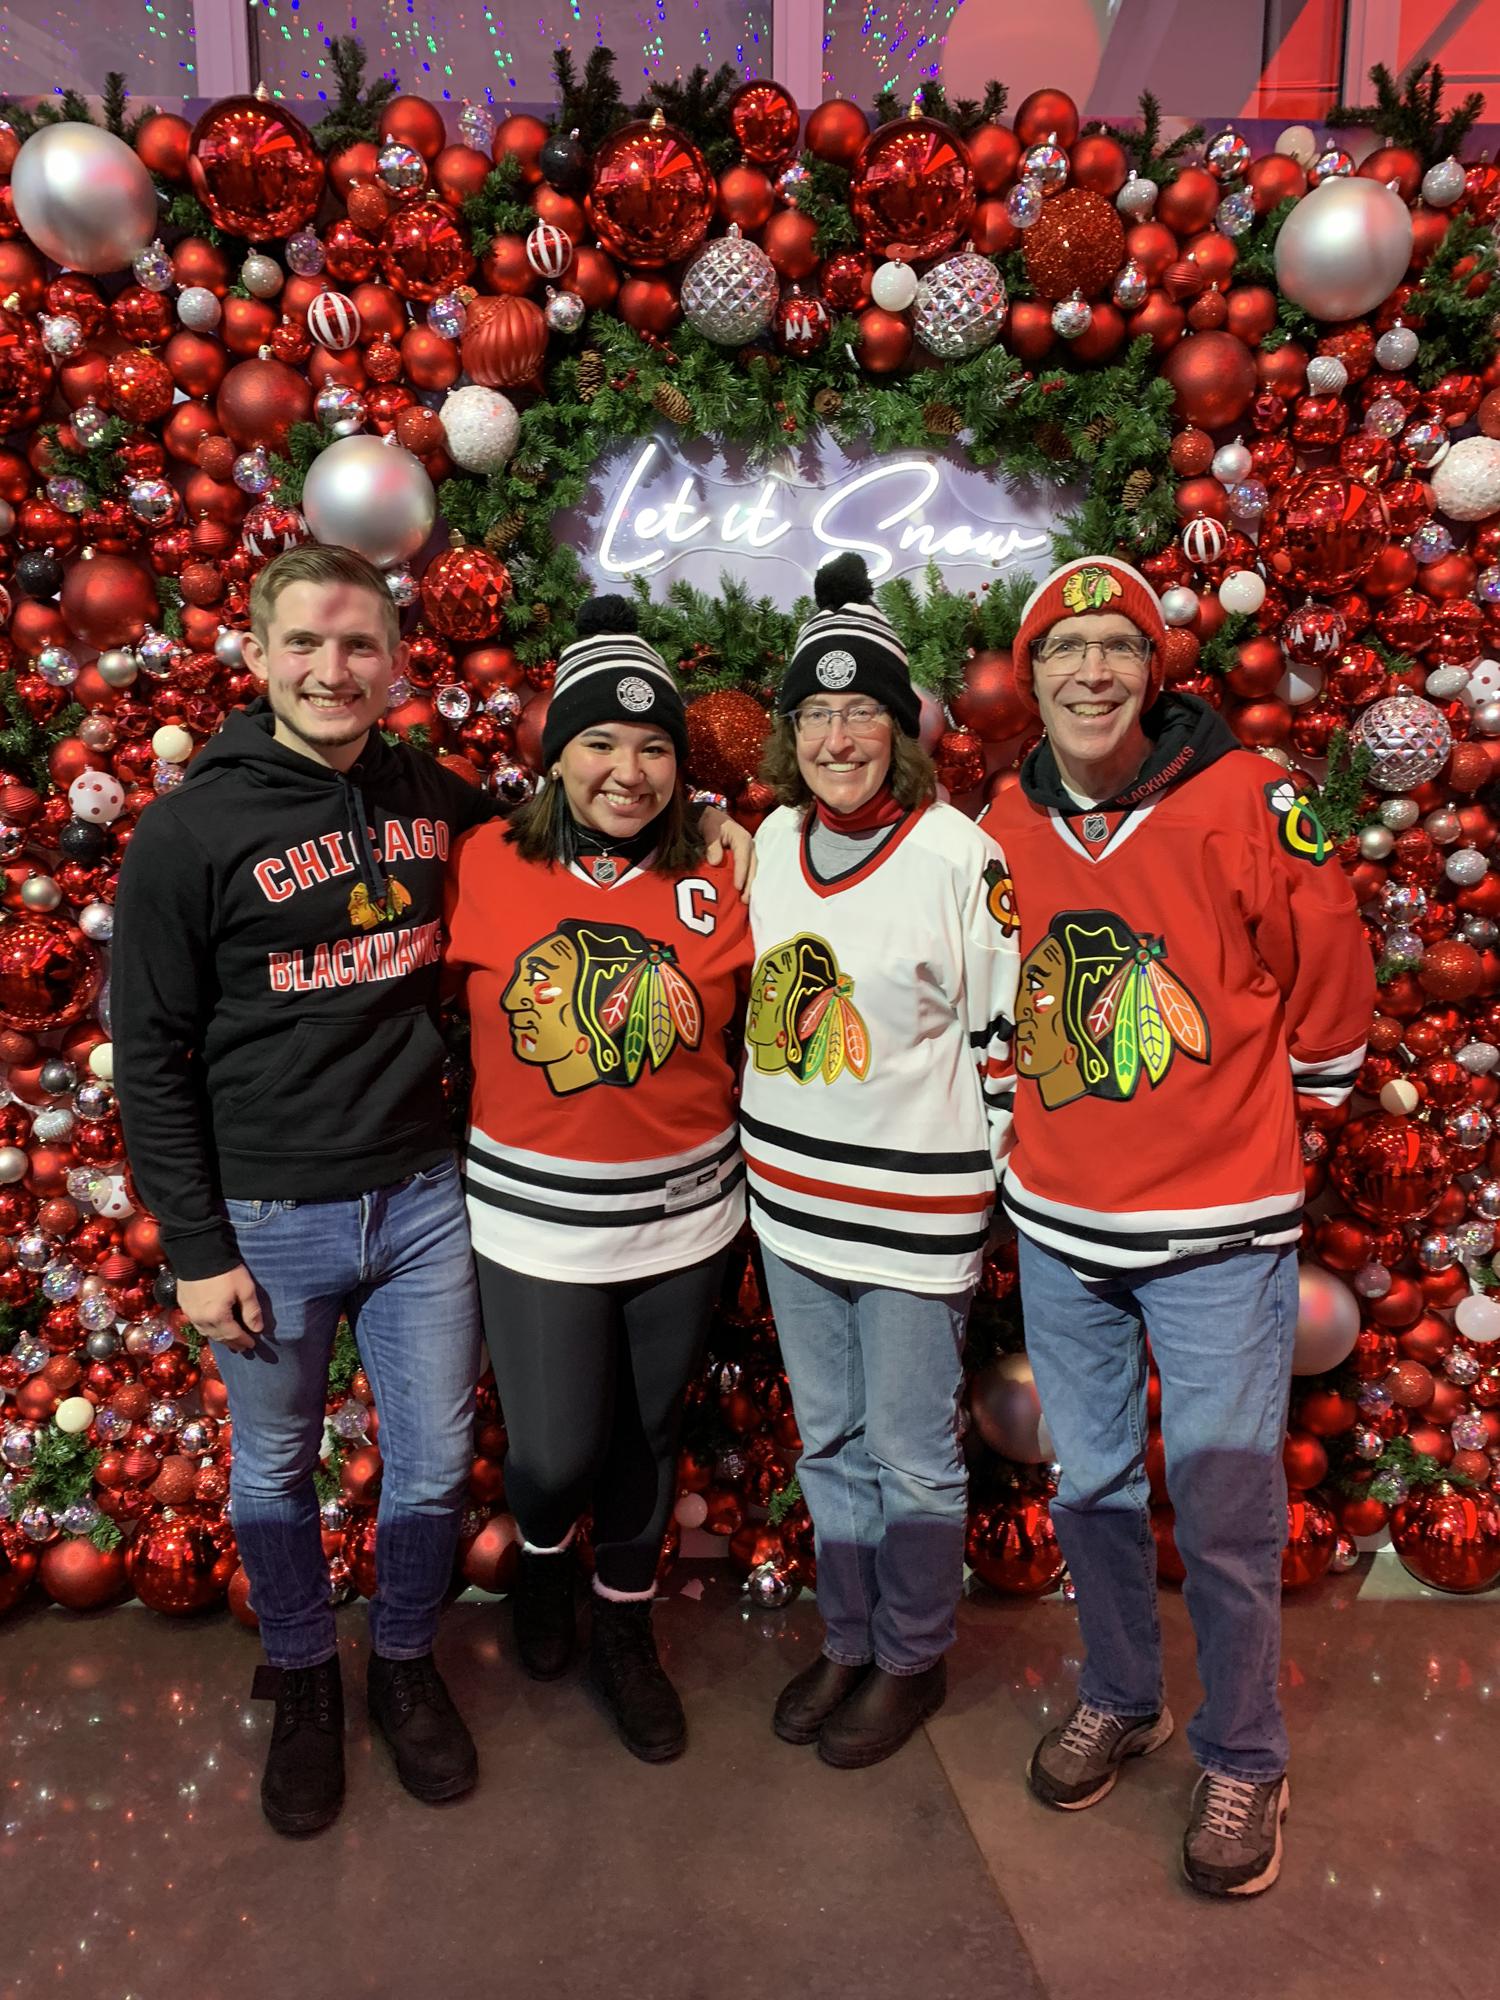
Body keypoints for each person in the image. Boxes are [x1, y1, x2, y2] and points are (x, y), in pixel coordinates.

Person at [984, 556, 1373, 1897]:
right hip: (1063, 1218)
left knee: (1220, 1507)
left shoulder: (1252, 796)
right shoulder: (1004, 817)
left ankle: (1247, 1752)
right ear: (1028, 679)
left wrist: (1287, 1108)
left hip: (1218, 1223)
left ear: (1156, 672)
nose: (1093, 672)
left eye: (1119, 648)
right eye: (1065, 650)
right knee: (1087, 1486)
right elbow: (1000, 990)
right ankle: (1121, 1691)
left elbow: (1327, 960)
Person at [113, 544, 494, 1835]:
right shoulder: (190, 830)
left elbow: (545, 847)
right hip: (270, 1219)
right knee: (274, 1466)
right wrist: (194, 1246)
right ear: (259, 655)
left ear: (396, 659)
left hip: (425, 1200)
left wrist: (704, 822)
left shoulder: (433, 797)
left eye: (358, 646)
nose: (332, 670)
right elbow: (149, 1056)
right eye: (305, 645)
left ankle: (397, 1667)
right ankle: (304, 1680)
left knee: (435, 1461)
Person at [444, 596, 753, 1764]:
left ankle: (627, 1630)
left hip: (683, 1214)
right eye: (601, 743)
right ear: (556, 754)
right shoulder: (484, 860)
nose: (629, 770)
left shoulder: (725, 874)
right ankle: (537, 1555)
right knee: (557, 1450)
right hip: (534, 1221)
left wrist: (741, 832)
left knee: (647, 1438)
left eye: (655, 745)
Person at [742, 552, 1020, 1769]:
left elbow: (1003, 1035)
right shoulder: (768, 840)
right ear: (790, 730)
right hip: (790, 1208)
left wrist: (979, 1188)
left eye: (863, 711)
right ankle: (847, 1633)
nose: (839, 735)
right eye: (817, 711)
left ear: (901, 727)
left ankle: (910, 1655)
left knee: (911, 1450)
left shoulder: (959, 853)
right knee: (829, 1439)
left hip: (911, 1214)